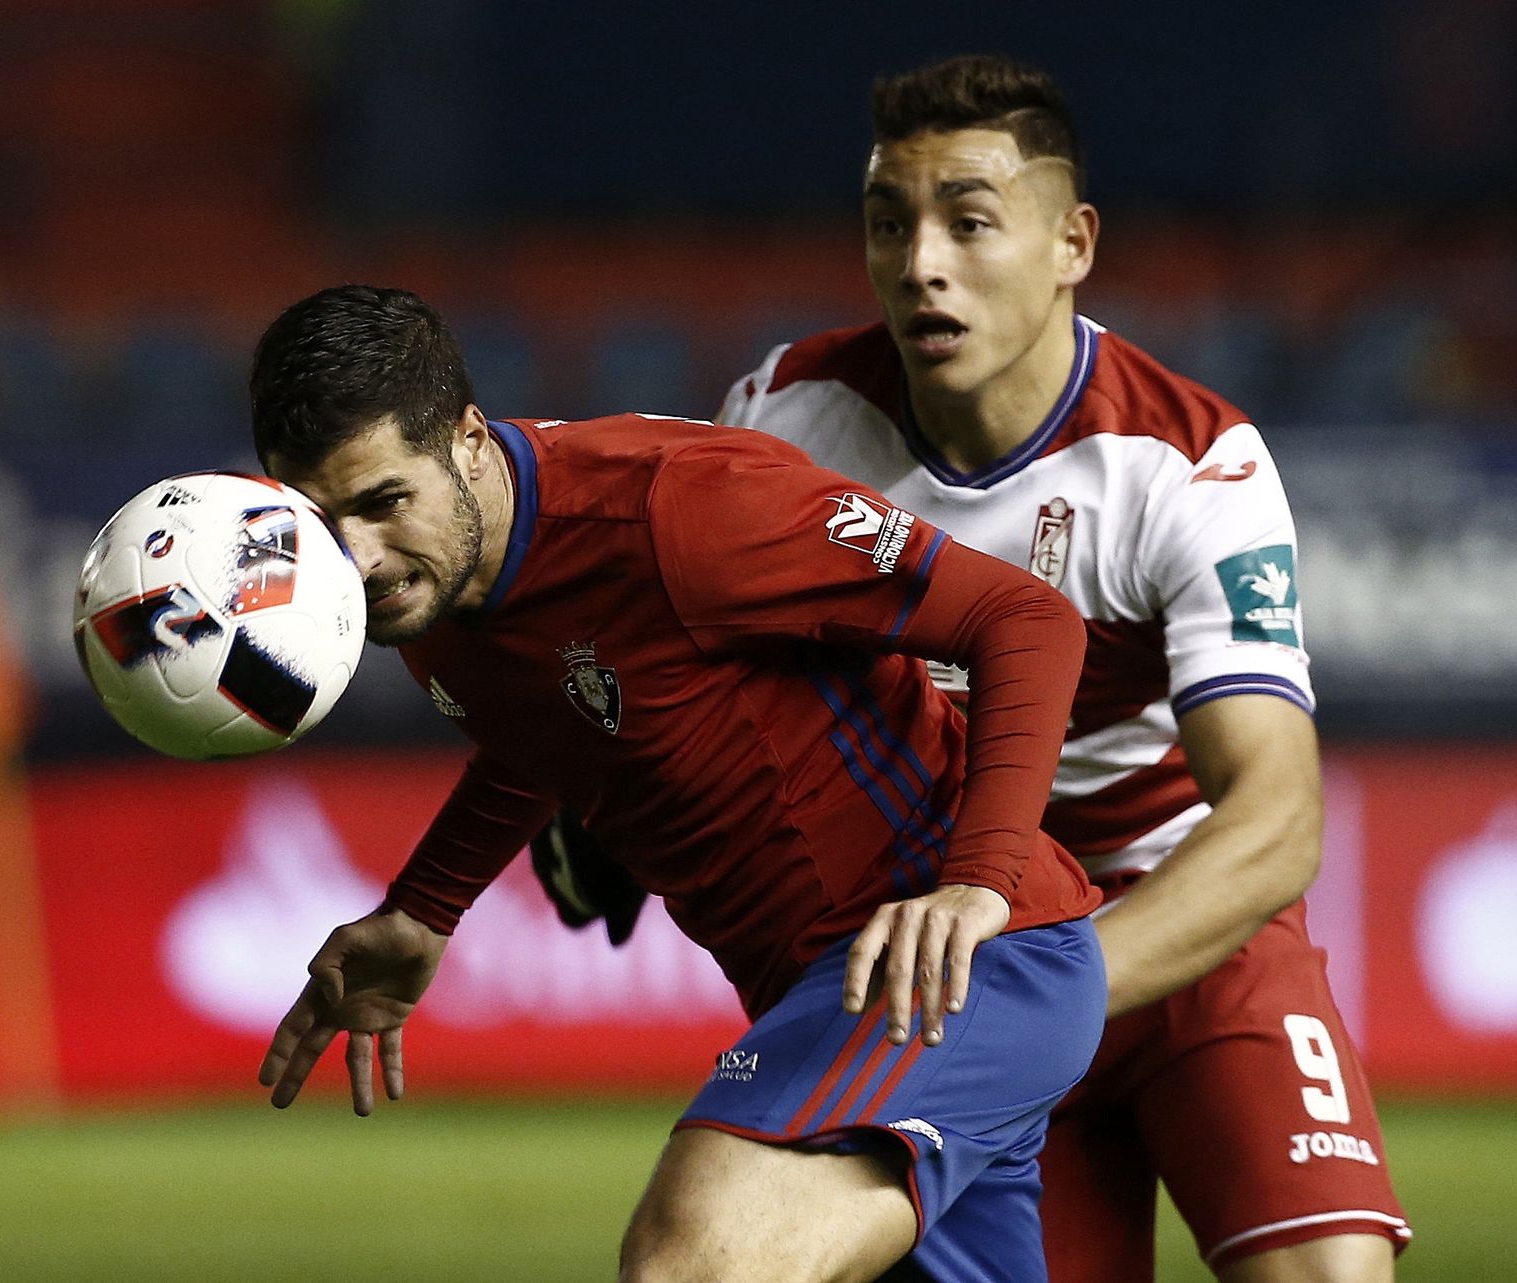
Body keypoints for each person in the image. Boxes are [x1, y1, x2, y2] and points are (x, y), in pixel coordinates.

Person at [536, 54, 1412, 1282]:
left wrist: (1045, 984)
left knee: (1328, 1274)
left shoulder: (1185, 460)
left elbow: (1274, 818)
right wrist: (616, 805)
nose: (920, 261)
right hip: (943, 963)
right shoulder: (781, 424)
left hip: (1175, 931)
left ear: (1072, 244)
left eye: (970, 220)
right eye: (888, 223)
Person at [248, 283, 1108, 1283]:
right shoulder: (425, 581)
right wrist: (425, 907)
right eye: (318, 519)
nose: (355, 556)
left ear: (468, 441)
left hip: (954, 965)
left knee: (687, 1263)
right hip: (828, 995)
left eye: (382, 500)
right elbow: (543, 716)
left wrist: (980, 880)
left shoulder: (682, 509)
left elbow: (1025, 618)